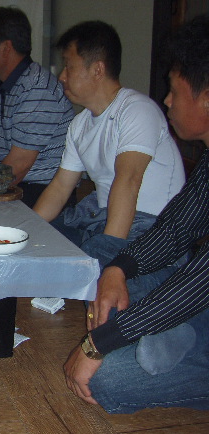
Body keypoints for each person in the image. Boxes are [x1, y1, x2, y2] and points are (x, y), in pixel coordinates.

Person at [64, 13, 209, 414]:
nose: (167, 100)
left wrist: (99, 344)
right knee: (116, 284)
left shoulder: (136, 110)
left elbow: (202, 279)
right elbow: (176, 227)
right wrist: (119, 268)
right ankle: (173, 325)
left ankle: (175, 327)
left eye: (174, 90)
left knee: (108, 379)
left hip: (201, 291)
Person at [33, 21, 185, 267]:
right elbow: (60, 188)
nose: (62, 76)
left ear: (97, 69)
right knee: (40, 243)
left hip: (151, 231)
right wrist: (26, 232)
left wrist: (109, 259)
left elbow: (128, 181)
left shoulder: (137, 110)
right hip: (101, 218)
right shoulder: (80, 124)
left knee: (85, 267)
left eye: (69, 66)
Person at [0, 6, 74, 208]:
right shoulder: (9, 86)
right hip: (13, 188)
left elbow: (17, 167)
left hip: (41, 196)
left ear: (6, 48)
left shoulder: (36, 88)